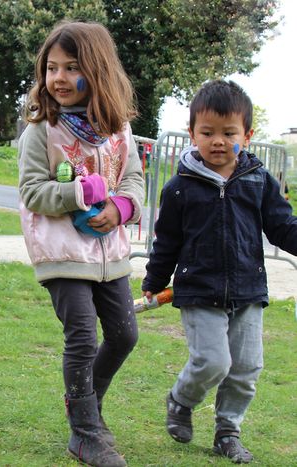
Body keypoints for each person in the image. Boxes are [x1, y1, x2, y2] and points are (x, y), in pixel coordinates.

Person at [142, 80, 297, 464]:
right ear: (192, 132)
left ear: (247, 134)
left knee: (245, 369)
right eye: (207, 132)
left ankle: (227, 431)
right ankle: (181, 399)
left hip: (248, 291)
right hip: (198, 291)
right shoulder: (180, 188)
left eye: (229, 133)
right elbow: (167, 241)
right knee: (214, 361)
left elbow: (281, 226)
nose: (218, 141)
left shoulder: (259, 181)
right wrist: (155, 280)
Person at [18, 21, 144, 467]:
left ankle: (85, 408)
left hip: (111, 254)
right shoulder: (42, 130)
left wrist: (123, 208)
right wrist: (78, 194)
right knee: (83, 337)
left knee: (126, 334)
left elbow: (132, 178)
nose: (58, 78)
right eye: (51, 68)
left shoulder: (118, 129)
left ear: (99, 71)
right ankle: (86, 433)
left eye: (72, 68)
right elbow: (32, 191)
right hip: (62, 253)